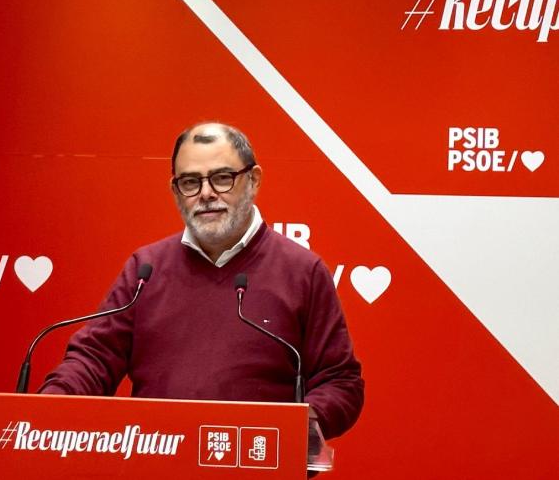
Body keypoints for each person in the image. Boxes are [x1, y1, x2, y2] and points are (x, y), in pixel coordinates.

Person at [40, 122, 364, 440]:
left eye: (222, 178)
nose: (206, 194)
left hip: (255, 460)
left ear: (253, 180)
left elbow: (340, 382)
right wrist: (48, 409)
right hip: (156, 458)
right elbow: (94, 358)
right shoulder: (146, 269)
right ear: (175, 191)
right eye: (190, 182)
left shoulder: (302, 271)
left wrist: (295, 426)